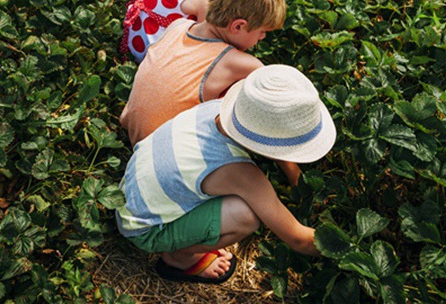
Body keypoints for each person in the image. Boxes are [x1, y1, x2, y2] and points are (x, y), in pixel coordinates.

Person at [115, 64, 336, 284]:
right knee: (246, 216)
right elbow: (298, 239)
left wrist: (296, 179)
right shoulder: (240, 175)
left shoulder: (216, 109)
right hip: (145, 228)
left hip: (130, 192)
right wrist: (345, 246)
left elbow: (270, 137)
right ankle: (179, 256)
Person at [119, 0, 301, 186]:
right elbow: (268, 116)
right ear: (238, 26)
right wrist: (294, 173)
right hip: (163, 163)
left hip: (132, 131)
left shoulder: (178, 27)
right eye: (262, 33)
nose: (262, 39)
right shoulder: (243, 65)